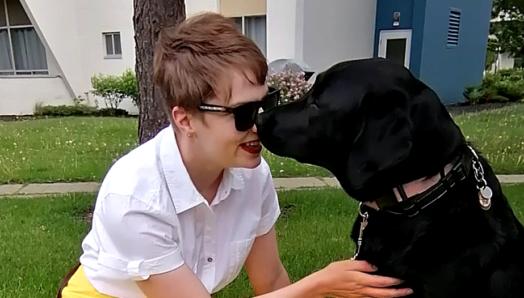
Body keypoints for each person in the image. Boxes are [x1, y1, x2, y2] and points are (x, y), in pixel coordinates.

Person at [59, 12, 413, 298]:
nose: (260, 125)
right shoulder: (134, 197)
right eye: (244, 114)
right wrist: (319, 285)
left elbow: (271, 280)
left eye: (266, 105)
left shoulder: (251, 173)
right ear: (185, 119)